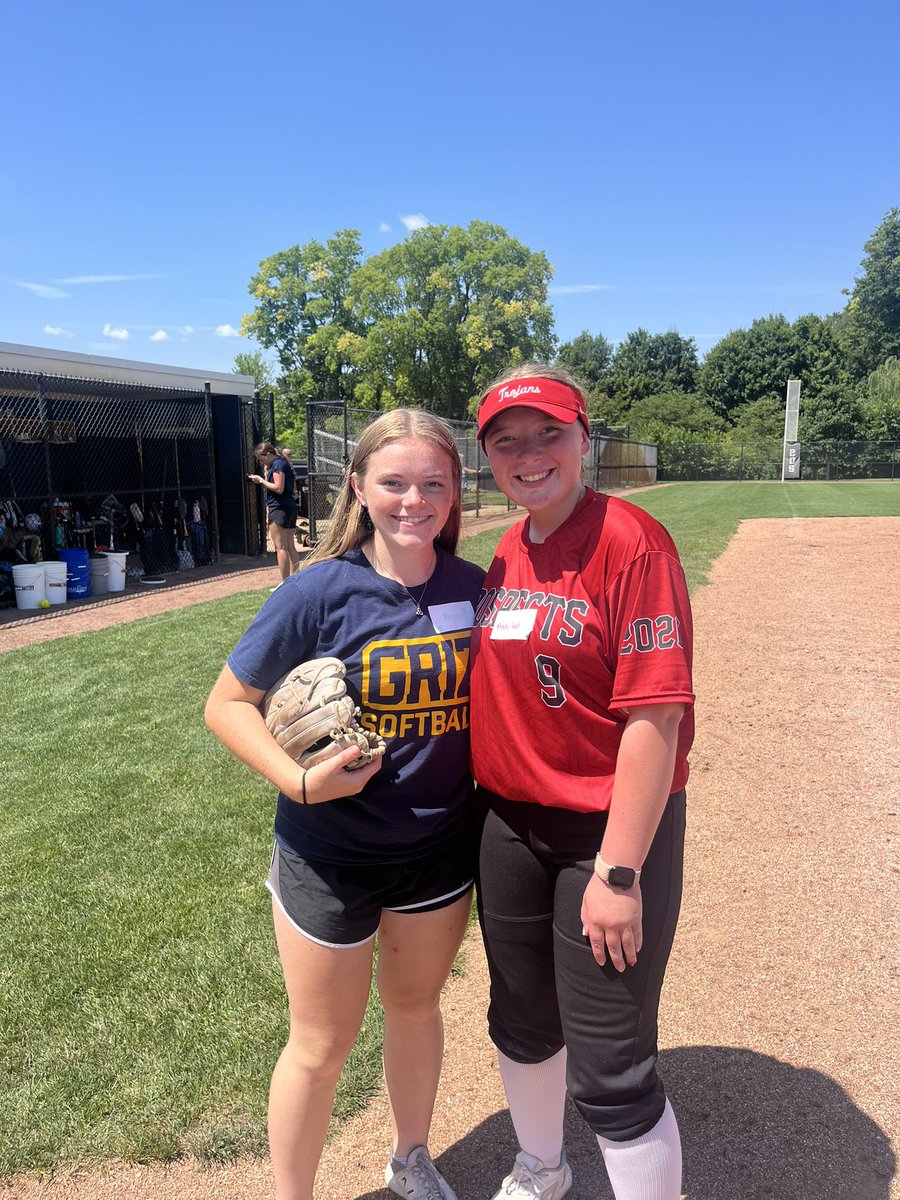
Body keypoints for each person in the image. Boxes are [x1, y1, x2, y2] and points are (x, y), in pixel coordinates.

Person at [206, 410, 485, 1200]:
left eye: (433, 483)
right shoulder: (320, 590)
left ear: (456, 489)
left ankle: (411, 1158)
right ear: (358, 487)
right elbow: (227, 704)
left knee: (416, 1008)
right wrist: (298, 782)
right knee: (321, 1045)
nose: (413, 500)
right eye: (393, 482)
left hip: (437, 849)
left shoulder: (474, 588)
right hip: (328, 856)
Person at [469, 364, 695, 1200]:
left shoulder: (633, 542)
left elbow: (656, 718)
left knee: (611, 1070)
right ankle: (542, 1168)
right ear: (489, 457)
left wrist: (619, 873)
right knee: (523, 1023)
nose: (529, 453)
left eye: (548, 433)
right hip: (509, 826)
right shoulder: (508, 547)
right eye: (506, 441)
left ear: (584, 438)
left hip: (607, 829)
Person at [249, 442, 300, 583]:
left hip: (279, 508)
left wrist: (261, 480)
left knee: (281, 547)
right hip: (289, 507)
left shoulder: (278, 465)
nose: (261, 462)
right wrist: (266, 474)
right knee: (289, 546)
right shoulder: (281, 463)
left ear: (268, 454)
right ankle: (295, 579)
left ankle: (285, 582)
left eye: (261, 459)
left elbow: (278, 488)